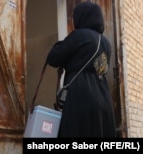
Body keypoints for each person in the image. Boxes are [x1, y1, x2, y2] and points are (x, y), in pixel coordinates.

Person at [46, 1, 117, 137]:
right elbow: (100, 69)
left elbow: (53, 59)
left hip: (80, 95)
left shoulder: (79, 35)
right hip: (102, 97)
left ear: (82, 17)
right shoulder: (106, 43)